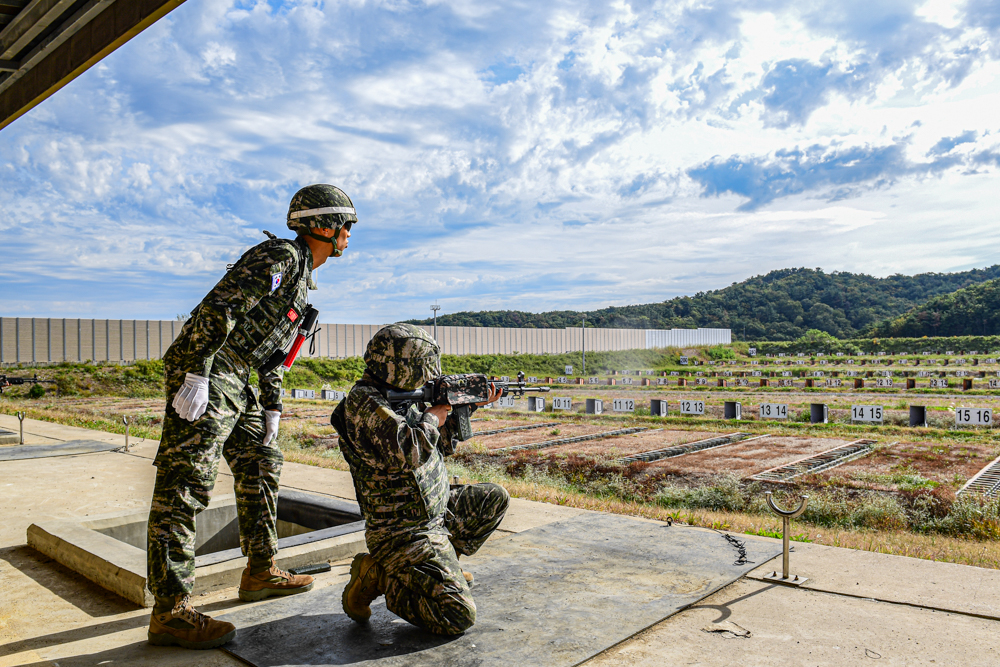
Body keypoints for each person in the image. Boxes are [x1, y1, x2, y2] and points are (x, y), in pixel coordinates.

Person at [146, 184, 357, 650]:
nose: (348, 236)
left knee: (263, 461)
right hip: (212, 365)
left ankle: (260, 571)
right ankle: (170, 612)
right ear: (323, 225)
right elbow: (218, 310)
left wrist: (273, 407)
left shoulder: (302, 284)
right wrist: (196, 373)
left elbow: (278, 357)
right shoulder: (278, 257)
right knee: (185, 484)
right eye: (346, 225)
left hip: (240, 377)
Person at [331, 323, 509, 636]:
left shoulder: (402, 396)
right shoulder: (365, 404)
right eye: (423, 372)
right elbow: (408, 452)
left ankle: (438, 568)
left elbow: (438, 448)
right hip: (401, 531)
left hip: (434, 514)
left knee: (493, 498)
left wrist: (460, 412)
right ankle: (381, 576)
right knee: (458, 615)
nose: (426, 379)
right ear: (399, 368)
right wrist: (431, 417)